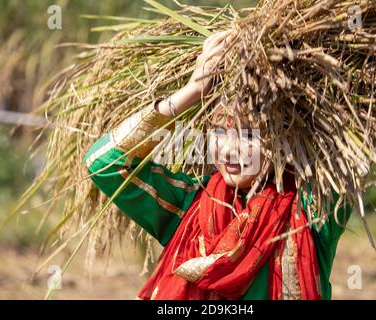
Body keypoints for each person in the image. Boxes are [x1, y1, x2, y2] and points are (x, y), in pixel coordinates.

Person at [84, 31, 351, 300]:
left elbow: (347, 144)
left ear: (284, 140)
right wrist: (193, 90)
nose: (229, 150)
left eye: (249, 135)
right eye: (220, 133)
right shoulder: (188, 207)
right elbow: (104, 163)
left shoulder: (310, 213)